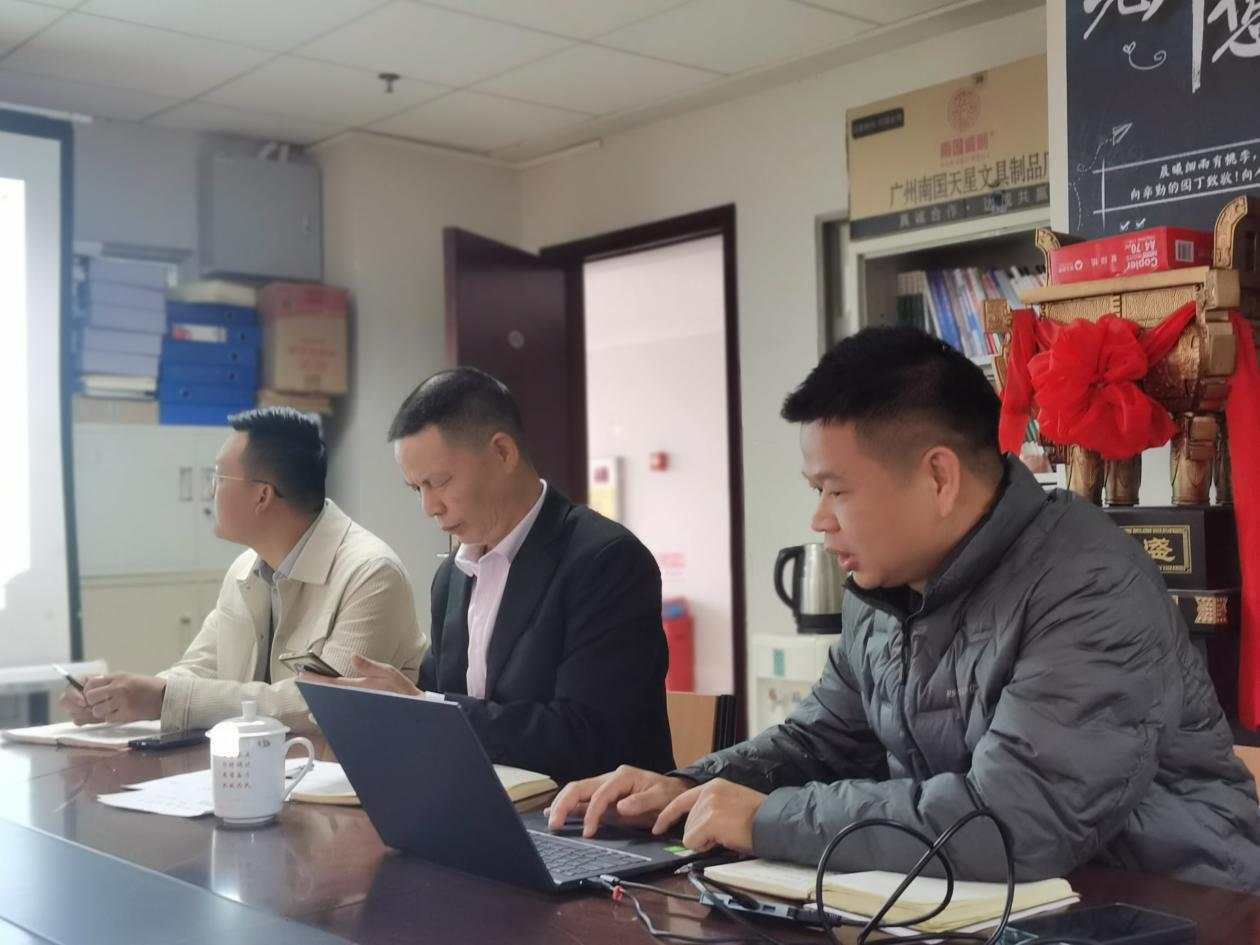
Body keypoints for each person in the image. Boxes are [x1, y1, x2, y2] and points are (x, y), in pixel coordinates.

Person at [548, 326, 1260, 893]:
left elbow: (1014, 823)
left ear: (939, 477)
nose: (819, 519)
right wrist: (689, 787)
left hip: (1174, 902)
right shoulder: (886, 591)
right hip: (995, 903)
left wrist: (769, 820)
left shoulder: (1090, 587)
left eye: (836, 490)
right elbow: (820, 742)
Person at [318, 368, 673, 783]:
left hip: (589, 811)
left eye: (439, 482)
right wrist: (400, 710)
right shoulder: (451, 576)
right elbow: (436, 698)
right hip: (476, 801)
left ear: (503, 453)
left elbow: (587, 737)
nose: (429, 507)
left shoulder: (607, 561)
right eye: (417, 489)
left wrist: (430, 709)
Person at [60, 407, 424, 734]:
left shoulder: (371, 573)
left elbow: (321, 707)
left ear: (262, 495)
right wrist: (116, 699)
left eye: (218, 478)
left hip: (344, 781)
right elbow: (199, 668)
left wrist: (164, 698)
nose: (209, 492)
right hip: (261, 771)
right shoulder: (245, 568)